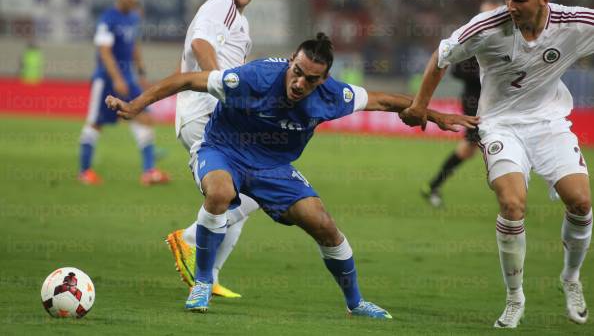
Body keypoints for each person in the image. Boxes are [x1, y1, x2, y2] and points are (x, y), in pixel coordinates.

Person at [106, 33, 478, 318]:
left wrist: (432, 113)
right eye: (296, 72)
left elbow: (384, 100)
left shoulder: (334, 95)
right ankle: (202, 283)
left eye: (311, 79)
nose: (299, 82)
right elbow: (186, 80)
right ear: (290, 63)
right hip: (224, 148)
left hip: (274, 168)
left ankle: (356, 303)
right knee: (218, 193)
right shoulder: (252, 78)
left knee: (325, 225)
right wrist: (136, 104)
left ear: (324, 80)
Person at [400, 0, 592, 328]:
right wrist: (420, 105)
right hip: (501, 124)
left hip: (549, 123)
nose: (510, 6)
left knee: (581, 201)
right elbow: (441, 56)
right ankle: (514, 297)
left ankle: (570, 277)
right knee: (512, 204)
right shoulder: (487, 27)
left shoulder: (576, 22)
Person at [164, 0, 259, 298]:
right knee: (253, 187)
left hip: (205, 115)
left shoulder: (236, 17)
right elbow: (201, 44)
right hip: (207, 116)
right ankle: (189, 239)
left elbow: (187, 59)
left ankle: (210, 274)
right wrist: (222, 87)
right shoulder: (220, 7)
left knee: (246, 192)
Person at [78, 0, 169, 186]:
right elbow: (104, 51)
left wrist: (141, 72)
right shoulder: (107, 19)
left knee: (144, 118)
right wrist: (117, 78)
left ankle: (149, 171)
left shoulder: (134, 18)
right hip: (107, 80)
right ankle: (84, 172)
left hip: (129, 79)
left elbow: (133, 45)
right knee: (96, 123)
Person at [421, 1, 500, 207]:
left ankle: (433, 185)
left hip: (494, 101)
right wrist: (484, 76)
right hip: (474, 101)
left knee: (473, 146)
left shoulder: (503, 39)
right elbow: (455, 70)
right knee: (480, 145)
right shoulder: (473, 39)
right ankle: (510, 195)